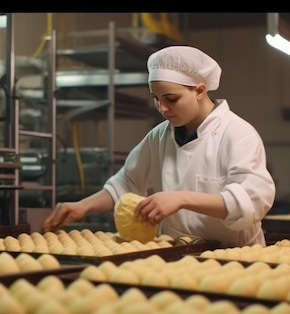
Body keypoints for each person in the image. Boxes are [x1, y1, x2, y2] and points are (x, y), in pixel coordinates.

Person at [41, 45, 276, 248]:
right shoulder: (159, 137)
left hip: (234, 258)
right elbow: (127, 184)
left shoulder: (237, 134)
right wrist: (82, 207)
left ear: (200, 90)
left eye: (171, 99)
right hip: (175, 255)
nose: (162, 109)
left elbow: (254, 200)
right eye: (156, 98)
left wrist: (181, 198)